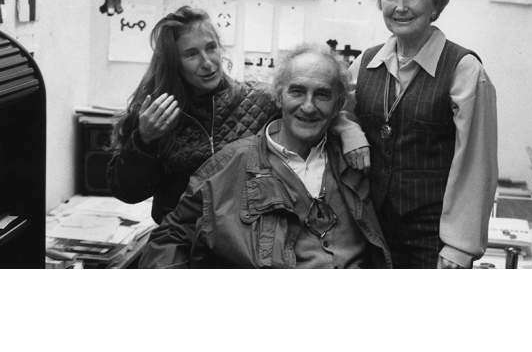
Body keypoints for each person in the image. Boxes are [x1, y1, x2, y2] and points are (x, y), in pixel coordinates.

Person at [108, 6, 370, 224]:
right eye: (191, 54)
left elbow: (311, 110)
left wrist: (350, 131)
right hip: (180, 246)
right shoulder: (154, 112)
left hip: (242, 247)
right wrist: (144, 140)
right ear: (173, 62)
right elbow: (129, 192)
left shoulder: (258, 100)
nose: (207, 62)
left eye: (211, 48)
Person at [139, 44, 391, 268]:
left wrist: (350, 129)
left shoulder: (356, 160)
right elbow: (171, 237)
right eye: (297, 92)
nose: (308, 106)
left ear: (338, 104)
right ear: (278, 96)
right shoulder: (229, 165)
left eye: (322, 94)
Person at [347, 0, 498, 269]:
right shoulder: (363, 63)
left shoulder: (464, 69)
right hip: (368, 231)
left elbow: (476, 163)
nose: (400, 6)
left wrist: (460, 247)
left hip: (433, 240)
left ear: (436, 4)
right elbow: (336, 115)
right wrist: (348, 130)